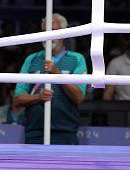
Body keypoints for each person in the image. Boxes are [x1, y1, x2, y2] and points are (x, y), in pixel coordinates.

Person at [13, 13, 87, 144]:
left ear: (64, 34)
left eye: (53, 31)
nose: (48, 36)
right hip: (34, 132)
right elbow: (18, 99)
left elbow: (78, 97)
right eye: (44, 31)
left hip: (65, 132)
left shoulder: (77, 59)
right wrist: (37, 97)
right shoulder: (31, 59)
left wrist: (56, 73)